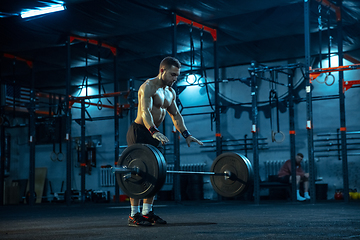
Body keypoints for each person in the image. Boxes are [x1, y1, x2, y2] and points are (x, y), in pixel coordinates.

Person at [126, 56, 203, 227]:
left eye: (177, 76)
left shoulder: (170, 92)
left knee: (155, 172)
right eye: (173, 75)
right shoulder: (147, 87)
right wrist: (153, 130)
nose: (175, 79)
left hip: (155, 134)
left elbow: (176, 115)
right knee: (137, 172)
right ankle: (134, 214)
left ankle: (147, 212)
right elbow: (145, 111)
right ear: (162, 71)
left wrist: (186, 134)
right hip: (140, 131)